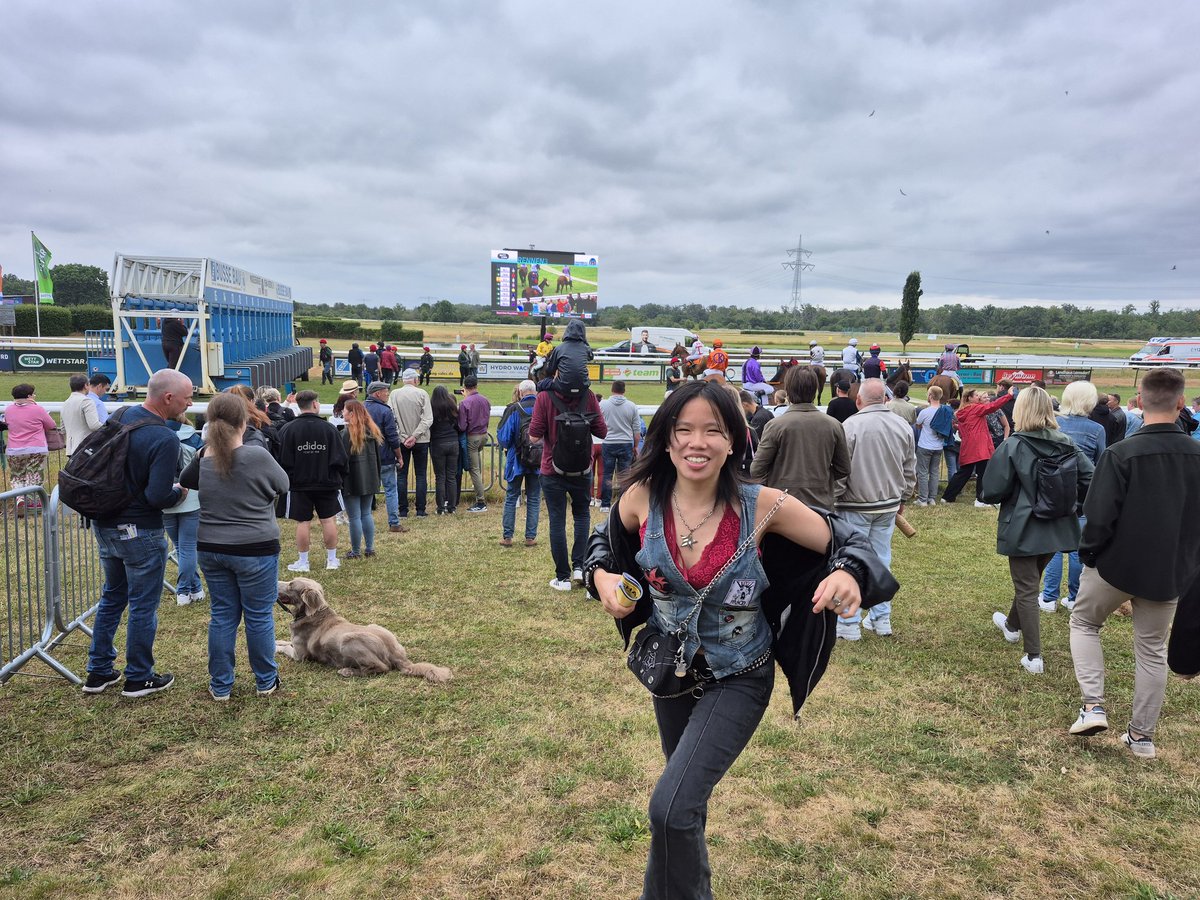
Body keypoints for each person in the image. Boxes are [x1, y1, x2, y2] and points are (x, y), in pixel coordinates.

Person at [584, 379, 894, 900]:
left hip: (740, 675)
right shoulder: (642, 499)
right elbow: (601, 545)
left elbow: (847, 538)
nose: (696, 442)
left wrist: (847, 572)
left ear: (733, 440)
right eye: (683, 429)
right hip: (671, 674)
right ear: (665, 439)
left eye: (713, 430)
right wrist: (602, 578)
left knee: (670, 807)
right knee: (683, 805)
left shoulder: (764, 505)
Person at [1067, 368, 1200, 757]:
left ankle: (1093, 705)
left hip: (1116, 564)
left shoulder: (1120, 453)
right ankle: (1142, 737)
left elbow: (1098, 516)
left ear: (1140, 402)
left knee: (1084, 622)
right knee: (1152, 649)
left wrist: (1089, 554)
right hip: (1168, 571)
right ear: (1180, 403)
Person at [83, 369, 193, 697]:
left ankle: (98, 671)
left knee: (112, 597)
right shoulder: (164, 438)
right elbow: (157, 496)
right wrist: (179, 493)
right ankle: (139, 676)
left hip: (106, 524)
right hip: (141, 531)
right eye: (187, 398)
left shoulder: (120, 416)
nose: (190, 403)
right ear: (168, 398)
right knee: (143, 605)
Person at [179, 392, 289, 700]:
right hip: (255, 547)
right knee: (258, 615)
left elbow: (187, 479)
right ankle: (265, 680)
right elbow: (283, 484)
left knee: (223, 615)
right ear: (244, 422)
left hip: (211, 547)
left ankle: (221, 684)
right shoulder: (256, 456)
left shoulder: (203, 455)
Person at [979, 387, 1094, 675]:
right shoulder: (1066, 442)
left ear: (1021, 410)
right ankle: (1011, 626)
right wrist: (1074, 503)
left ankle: (1034, 656)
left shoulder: (1014, 445)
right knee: (1030, 582)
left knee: (1027, 588)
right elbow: (1091, 477)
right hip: (1057, 525)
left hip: (1023, 526)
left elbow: (991, 490)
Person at [834, 378, 917, 639]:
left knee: (850, 562)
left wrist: (834, 498)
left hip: (854, 504)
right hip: (888, 505)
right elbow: (909, 468)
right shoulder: (902, 425)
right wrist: (903, 497)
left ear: (859, 400)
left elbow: (840, 472)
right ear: (884, 399)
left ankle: (848, 622)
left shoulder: (850, 425)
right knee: (882, 560)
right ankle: (881, 618)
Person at [529, 378, 607, 590]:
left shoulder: (544, 397)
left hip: (552, 468)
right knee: (582, 516)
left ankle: (563, 577)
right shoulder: (588, 396)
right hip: (582, 468)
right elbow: (602, 431)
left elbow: (534, 436)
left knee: (557, 521)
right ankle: (579, 567)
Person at [1039, 381, 1106, 613]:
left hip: (1055, 490)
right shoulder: (1097, 429)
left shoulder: (1054, 425)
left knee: (1055, 546)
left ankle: (1049, 597)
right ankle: (1074, 597)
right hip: (1084, 493)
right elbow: (1100, 462)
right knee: (1078, 547)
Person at [750, 366, 850, 511]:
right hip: (821, 505)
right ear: (815, 390)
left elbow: (756, 470)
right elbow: (844, 468)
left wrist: (780, 482)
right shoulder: (834, 425)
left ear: (788, 390)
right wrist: (820, 480)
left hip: (783, 506)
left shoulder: (775, 426)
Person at [278, 390, 347, 572]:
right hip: (327, 482)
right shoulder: (329, 429)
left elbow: (282, 459)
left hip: (298, 484)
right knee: (328, 520)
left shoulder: (288, 429)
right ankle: (331, 560)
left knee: (303, 522)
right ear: (315, 404)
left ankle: (303, 562)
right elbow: (340, 458)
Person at [940, 389, 1011, 504]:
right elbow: (993, 406)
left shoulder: (962, 411)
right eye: (976, 395)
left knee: (964, 473)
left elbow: (962, 432)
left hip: (969, 446)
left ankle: (947, 496)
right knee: (982, 473)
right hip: (980, 446)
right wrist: (1009, 395)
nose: (978, 397)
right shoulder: (976, 409)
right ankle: (980, 499)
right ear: (969, 398)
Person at [163, 412, 203, 606]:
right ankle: (186, 590)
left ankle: (195, 589)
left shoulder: (157, 434)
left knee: (181, 547)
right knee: (187, 547)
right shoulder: (193, 438)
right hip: (191, 499)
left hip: (165, 497)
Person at [497, 380, 541, 548]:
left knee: (511, 497)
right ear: (535, 392)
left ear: (521, 393)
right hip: (538, 461)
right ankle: (530, 537)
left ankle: (508, 537)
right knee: (534, 498)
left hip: (516, 460)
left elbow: (504, 438)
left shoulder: (514, 409)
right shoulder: (543, 408)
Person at [339, 400, 384, 559]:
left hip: (351, 479)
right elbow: (378, 458)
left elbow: (342, 459)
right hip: (370, 476)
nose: (342, 412)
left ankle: (356, 551)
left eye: (344, 410)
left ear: (351, 413)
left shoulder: (346, 434)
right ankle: (370, 548)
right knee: (366, 514)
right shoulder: (373, 431)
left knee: (354, 517)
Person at [390, 368, 433, 518]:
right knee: (420, 474)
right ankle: (420, 510)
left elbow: (391, 418)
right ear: (415, 380)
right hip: (421, 440)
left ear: (403, 380)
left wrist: (403, 437)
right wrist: (414, 436)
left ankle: (403, 510)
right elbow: (428, 418)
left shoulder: (394, 394)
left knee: (402, 475)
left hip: (401, 440)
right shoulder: (422, 393)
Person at [364, 381, 406, 532]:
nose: (388, 393)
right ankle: (394, 523)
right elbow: (392, 437)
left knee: (367, 492)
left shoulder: (361, 408)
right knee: (391, 490)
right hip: (385, 457)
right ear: (378, 393)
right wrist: (399, 456)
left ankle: (365, 521)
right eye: (386, 391)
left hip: (365, 458)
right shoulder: (385, 411)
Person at [3, 383, 57, 500]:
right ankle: (32, 500)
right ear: (29, 396)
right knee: (34, 476)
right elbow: (51, 425)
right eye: (33, 394)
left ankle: (19, 499)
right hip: (36, 447)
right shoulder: (37, 409)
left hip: (14, 449)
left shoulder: (8, 410)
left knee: (17, 476)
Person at [599, 381, 642, 512]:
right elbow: (637, 430)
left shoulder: (603, 404)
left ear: (612, 389)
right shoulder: (632, 406)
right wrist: (636, 446)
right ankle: (624, 503)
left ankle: (605, 504)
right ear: (624, 390)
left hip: (608, 442)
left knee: (607, 473)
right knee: (625, 474)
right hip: (626, 442)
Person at [457, 375, 490, 512]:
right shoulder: (485, 400)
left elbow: (462, 426)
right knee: (476, 466)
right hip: (484, 435)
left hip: (472, 437)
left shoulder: (464, 403)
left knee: (474, 469)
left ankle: (481, 501)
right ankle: (479, 491)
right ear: (476, 385)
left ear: (464, 387)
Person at [429, 386, 462, 515]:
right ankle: (452, 506)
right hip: (453, 442)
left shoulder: (432, 408)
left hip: (438, 443)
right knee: (451, 476)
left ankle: (441, 507)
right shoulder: (452, 407)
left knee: (440, 477)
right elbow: (458, 424)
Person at [913, 385, 946, 506]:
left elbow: (918, 425)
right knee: (934, 472)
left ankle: (922, 499)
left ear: (930, 396)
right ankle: (932, 498)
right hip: (938, 446)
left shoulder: (925, 412)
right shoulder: (944, 411)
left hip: (925, 445)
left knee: (923, 472)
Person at [541, 319, 593, 394]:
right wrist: (585, 342)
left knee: (541, 384)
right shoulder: (586, 348)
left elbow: (549, 369)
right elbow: (591, 357)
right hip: (583, 386)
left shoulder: (559, 348)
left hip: (563, 387)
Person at [62, 373, 102, 456]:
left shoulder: (65, 403)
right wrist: (109, 428)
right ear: (85, 385)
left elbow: (63, 429)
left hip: (70, 449)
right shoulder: (87, 401)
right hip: (85, 448)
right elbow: (94, 425)